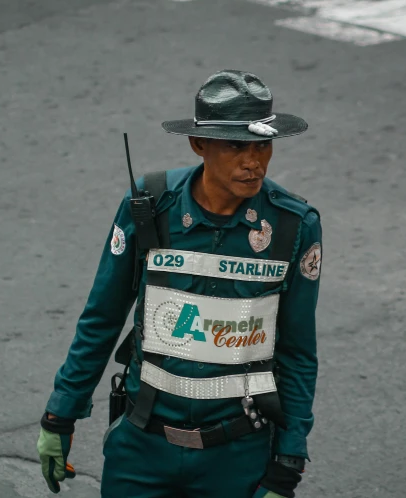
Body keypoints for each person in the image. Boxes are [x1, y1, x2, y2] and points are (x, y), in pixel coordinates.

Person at [37, 69, 322, 498]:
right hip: (141, 450)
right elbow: (102, 317)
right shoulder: (150, 205)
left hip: (237, 459)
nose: (254, 161)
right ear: (199, 144)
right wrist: (60, 415)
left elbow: (298, 353)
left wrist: (288, 463)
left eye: (263, 144)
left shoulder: (292, 227)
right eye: (236, 146)